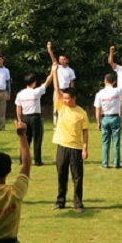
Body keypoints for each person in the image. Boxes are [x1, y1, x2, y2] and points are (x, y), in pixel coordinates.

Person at [51, 62, 89, 211]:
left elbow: (85, 132)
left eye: (67, 98)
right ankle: (60, 201)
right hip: (62, 146)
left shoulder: (81, 113)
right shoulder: (61, 107)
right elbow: (56, 89)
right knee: (61, 174)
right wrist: (54, 72)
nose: (65, 100)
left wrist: (85, 149)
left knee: (77, 177)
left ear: (74, 98)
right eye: (64, 98)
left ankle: (78, 202)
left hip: (76, 148)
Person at [15, 68, 53, 166]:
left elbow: (18, 108)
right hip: (35, 118)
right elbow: (48, 81)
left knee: (25, 140)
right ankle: (37, 161)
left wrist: (20, 120)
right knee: (37, 139)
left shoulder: (20, 94)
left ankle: (22, 160)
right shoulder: (36, 92)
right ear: (34, 82)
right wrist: (53, 70)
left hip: (25, 118)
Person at [94, 72, 122, 168]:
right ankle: (116, 164)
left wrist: (98, 122)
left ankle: (105, 163)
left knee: (105, 143)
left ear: (105, 80)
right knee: (116, 143)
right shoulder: (117, 91)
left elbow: (98, 110)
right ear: (114, 81)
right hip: (115, 117)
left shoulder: (99, 94)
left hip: (105, 118)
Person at [48, 42, 75, 128]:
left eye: (64, 59)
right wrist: (49, 49)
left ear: (67, 60)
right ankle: (55, 125)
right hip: (57, 90)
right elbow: (53, 58)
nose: (62, 61)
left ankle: (65, 123)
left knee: (67, 108)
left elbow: (72, 82)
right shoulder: (57, 67)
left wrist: (72, 91)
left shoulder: (70, 70)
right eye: (60, 59)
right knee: (56, 108)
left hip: (66, 91)